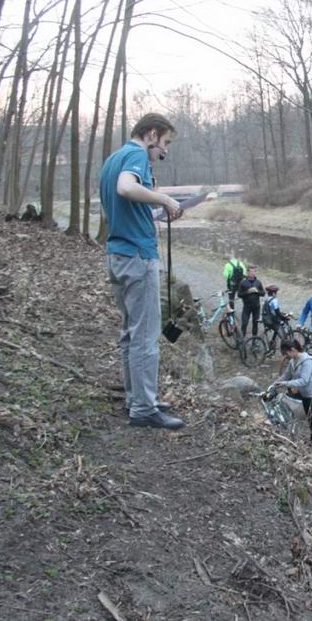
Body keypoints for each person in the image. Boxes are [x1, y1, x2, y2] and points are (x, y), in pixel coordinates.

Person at [100, 112, 184, 430]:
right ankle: (145, 409)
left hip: (119, 254)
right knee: (146, 336)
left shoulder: (114, 158)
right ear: (150, 134)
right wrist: (164, 198)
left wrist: (157, 214)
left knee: (130, 334)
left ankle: (137, 399)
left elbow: (126, 206)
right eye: (164, 143)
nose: (164, 151)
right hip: (138, 258)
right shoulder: (136, 154)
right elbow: (125, 189)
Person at [275, 340, 312, 446]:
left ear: (292, 350)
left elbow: (304, 380)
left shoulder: (307, 361)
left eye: (286, 354)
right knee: (307, 417)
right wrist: (277, 382)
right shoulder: (293, 361)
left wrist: (285, 383)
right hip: (304, 394)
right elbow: (286, 375)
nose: (286, 357)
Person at [237, 264, 265, 337]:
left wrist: (257, 291)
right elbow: (239, 294)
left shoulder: (258, 282)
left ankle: (254, 340)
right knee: (244, 323)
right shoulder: (243, 282)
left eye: (254, 271)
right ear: (247, 273)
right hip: (247, 307)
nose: (252, 273)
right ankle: (242, 339)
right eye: (251, 272)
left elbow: (263, 293)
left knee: (255, 323)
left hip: (256, 307)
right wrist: (247, 292)